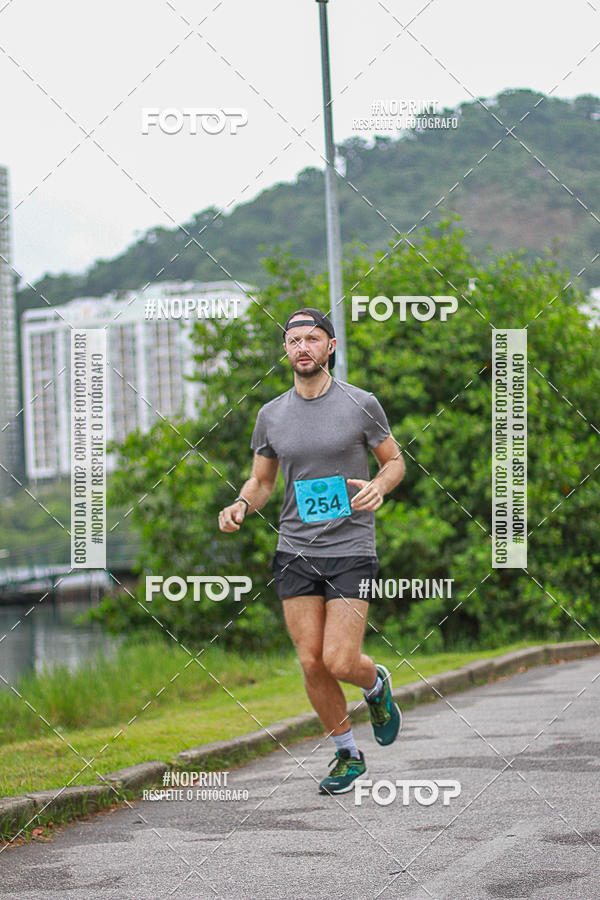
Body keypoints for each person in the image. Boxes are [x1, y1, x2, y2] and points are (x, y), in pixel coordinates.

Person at [218, 308, 406, 794]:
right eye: (294, 340)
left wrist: (380, 486)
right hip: (295, 549)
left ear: (330, 347)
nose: (302, 347)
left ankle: (375, 684)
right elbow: (262, 481)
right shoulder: (271, 414)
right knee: (310, 661)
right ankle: (347, 754)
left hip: (351, 548)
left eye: (312, 339)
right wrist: (241, 503)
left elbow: (394, 461)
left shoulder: (360, 404)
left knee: (341, 660)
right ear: (286, 350)